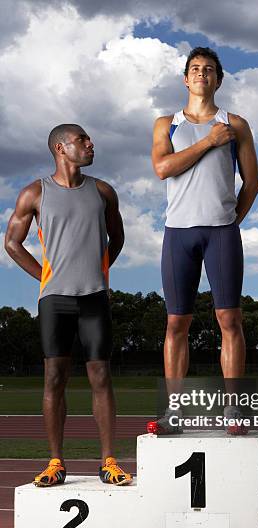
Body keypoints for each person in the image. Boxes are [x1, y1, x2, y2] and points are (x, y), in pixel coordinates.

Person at [4, 124, 132, 486]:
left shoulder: (103, 192)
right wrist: (46, 277)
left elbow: (117, 236)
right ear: (61, 148)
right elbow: (12, 243)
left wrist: (99, 270)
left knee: (101, 377)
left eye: (90, 138)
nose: (90, 144)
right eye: (82, 140)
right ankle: (55, 462)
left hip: (94, 297)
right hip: (54, 301)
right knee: (54, 379)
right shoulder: (34, 193)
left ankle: (109, 461)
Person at [150, 47, 258, 434]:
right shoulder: (167, 123)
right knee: (176, 322)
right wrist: (209, 142)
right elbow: (163, 167)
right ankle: (174, 410)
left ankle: (233, 410)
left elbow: (253, 183)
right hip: (178, 232)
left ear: (218, 79)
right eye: (195, 69)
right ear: (185, 78)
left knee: (229, 319)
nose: (202, 74)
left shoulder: (236, 124)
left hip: (221, 233)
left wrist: (229, 221)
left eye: (209, 69)